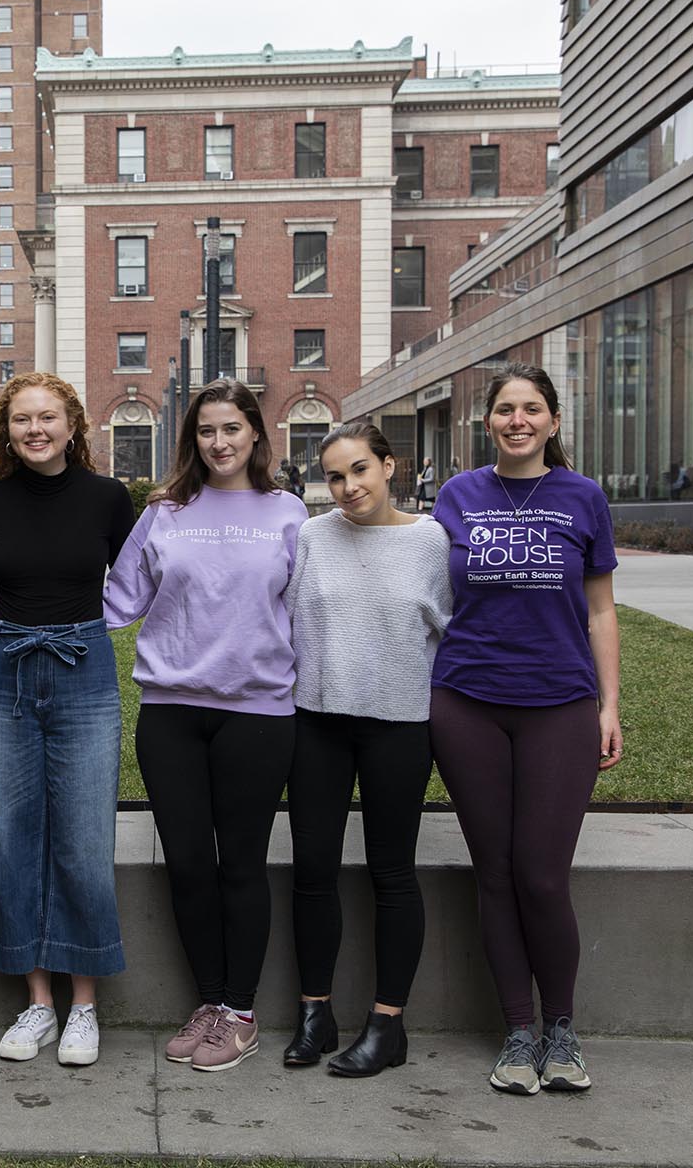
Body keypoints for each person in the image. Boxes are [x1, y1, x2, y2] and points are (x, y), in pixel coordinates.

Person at [429, 364, 622, 1096]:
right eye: (506, 409)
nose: (518, 420)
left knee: (541, 874)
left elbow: (601, 609)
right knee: (495, 873)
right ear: (488, 422)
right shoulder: (458, 496)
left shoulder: (583, 497)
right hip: (467, 702)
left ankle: (562, 1030)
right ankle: (516, 1032)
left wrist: (609, 705)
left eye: (531, 408)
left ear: (553, 421)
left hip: (560, 705)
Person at [104, 379, 306, 1072]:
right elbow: (116, 599)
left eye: (231, 428)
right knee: (188, 865)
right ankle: (210, 1001)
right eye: (206, 432)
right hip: (172, 712)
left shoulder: (289, 512)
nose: (219, 442)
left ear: (255, 433)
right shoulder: (165, 512)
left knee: (241, 865)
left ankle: (242, 1014)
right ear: (193, 440)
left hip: (257, 713)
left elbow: (310, 610)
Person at [0, 372, 134, 1068]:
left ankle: (84, 1007)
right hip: (7, 668)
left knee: (85, 838)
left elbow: (142, 578)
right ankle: (37, 1001)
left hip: (84, 669)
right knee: (12, 835)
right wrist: (7, 639)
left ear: (73, 426)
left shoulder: (108, 498)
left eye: (49, 418)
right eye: (23, 420)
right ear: (7, 430)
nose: (36, 430)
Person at [282, 423, 451, 1077]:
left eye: (359, 470)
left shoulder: (431, 540)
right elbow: (289, 621)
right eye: (334, 476)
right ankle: (314, 1014)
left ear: (389, 467)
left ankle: (387, 1024)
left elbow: (454, 629)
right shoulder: (311, 537)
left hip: (400, 724)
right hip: (317, 723)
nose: (348, 486)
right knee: (312, 871)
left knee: (392, 872)